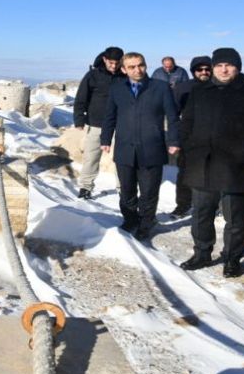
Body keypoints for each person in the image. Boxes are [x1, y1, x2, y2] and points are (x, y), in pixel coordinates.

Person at [177, 48, 244, 277]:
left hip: (235, 163)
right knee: (201, 212)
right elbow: (187, 122)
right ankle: (201, 253)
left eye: (229, 65)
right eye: (219, 65)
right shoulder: (200, 91)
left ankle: (232, 258)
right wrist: (189, 146)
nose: (224, 69)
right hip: (203, 162)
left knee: (235, 217)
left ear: (238, 67)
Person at [101, 52, 180, 240]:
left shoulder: (160, 87)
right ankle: (130, 220)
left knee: (149, 191)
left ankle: (146, 223)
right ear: (123, 69)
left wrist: (174, 141)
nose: (138, 70)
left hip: (151, 147)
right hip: (125, 148)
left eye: (141, 65)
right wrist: (105, 139)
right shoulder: (117, 88)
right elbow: (110, 115)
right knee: (127, 190)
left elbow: (173, 116)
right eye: (132, 67)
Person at [72, 46, 125, 200]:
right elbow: (81, 98)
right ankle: (85, 187)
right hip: (95, 123)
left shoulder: (125, 75)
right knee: (91, 157)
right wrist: (79, 119)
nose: (114, 66)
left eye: (117, 63)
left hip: (120, 124)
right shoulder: (93, 75)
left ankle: (123, 188)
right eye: (110, 63)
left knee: (121, 159)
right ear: (104, 59)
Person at [169, 55, 212, 219]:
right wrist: (175, 138)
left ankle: (211, 206)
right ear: (193, 71)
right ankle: (183, 205)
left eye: (207, 69)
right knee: (184, 174)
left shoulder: (219, 87)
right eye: (200, 69)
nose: (204, 72)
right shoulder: (183, 88)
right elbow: (173, 114)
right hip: (189, 138)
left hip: (213, 138)